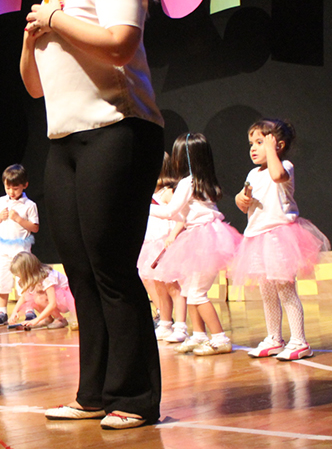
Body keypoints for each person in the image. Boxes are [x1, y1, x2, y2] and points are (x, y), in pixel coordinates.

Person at [18, 0, 165, 429]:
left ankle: (134, 397)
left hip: (118, 130)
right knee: (78, 268)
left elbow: (122, 44)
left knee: (109, 265)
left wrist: (54, 21)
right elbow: (33, 87)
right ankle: (94, 393)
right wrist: (34, 35)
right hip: (66, 140)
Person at [230, 119, 329, 361]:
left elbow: (277, 176)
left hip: (279, 236)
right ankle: (274, 338)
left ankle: (299, 341)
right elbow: (243, 199)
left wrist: (273, 152)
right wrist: (240, 199)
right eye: (251, 143)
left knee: (285, 289)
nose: (253, 147)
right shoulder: (253, 173)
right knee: (267, 291)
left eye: (260, 142)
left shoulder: (285, 166)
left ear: (278, 145)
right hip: (257, 237)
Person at [150, 133, 240, 357]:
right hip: (204, 236)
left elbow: (170, 212)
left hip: (203, 238)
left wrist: (142, 207)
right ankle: (199, 335)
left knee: (197, 293)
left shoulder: (186, 183)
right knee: (190, 290)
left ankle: (220, 338)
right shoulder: (201, 181)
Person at [137, 154, 187, 344]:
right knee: (158, 288)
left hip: (164, 244)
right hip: (150, 244)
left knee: (172, 286)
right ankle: (165, 324)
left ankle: (181, 326)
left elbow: (182, 217)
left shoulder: (167, 192)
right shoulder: (147, 192)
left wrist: (173, 235)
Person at [0, 164, 39, 325]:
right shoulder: (0, 201)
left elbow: (35, 227)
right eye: (8, 188)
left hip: (21, 250)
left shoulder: (29, 205)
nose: (11, 192)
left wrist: (19, 219)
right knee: (1, 278)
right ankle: (2, 312)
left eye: (15, 188)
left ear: (24, 185)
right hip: (3, 248)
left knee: (24, 281)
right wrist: (0, 217)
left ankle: (29, 309)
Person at [9, 252, 76, 329]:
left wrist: (36, 320)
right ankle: (48, 318)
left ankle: (60, 319)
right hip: (55, 298)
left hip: (66, 298)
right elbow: (24, 296)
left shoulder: (47, 277)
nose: (18, 277)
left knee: (39, 298)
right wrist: (14, 312)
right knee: (33, 297)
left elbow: (52, 303)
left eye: (19, 274)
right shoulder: (34, 276)